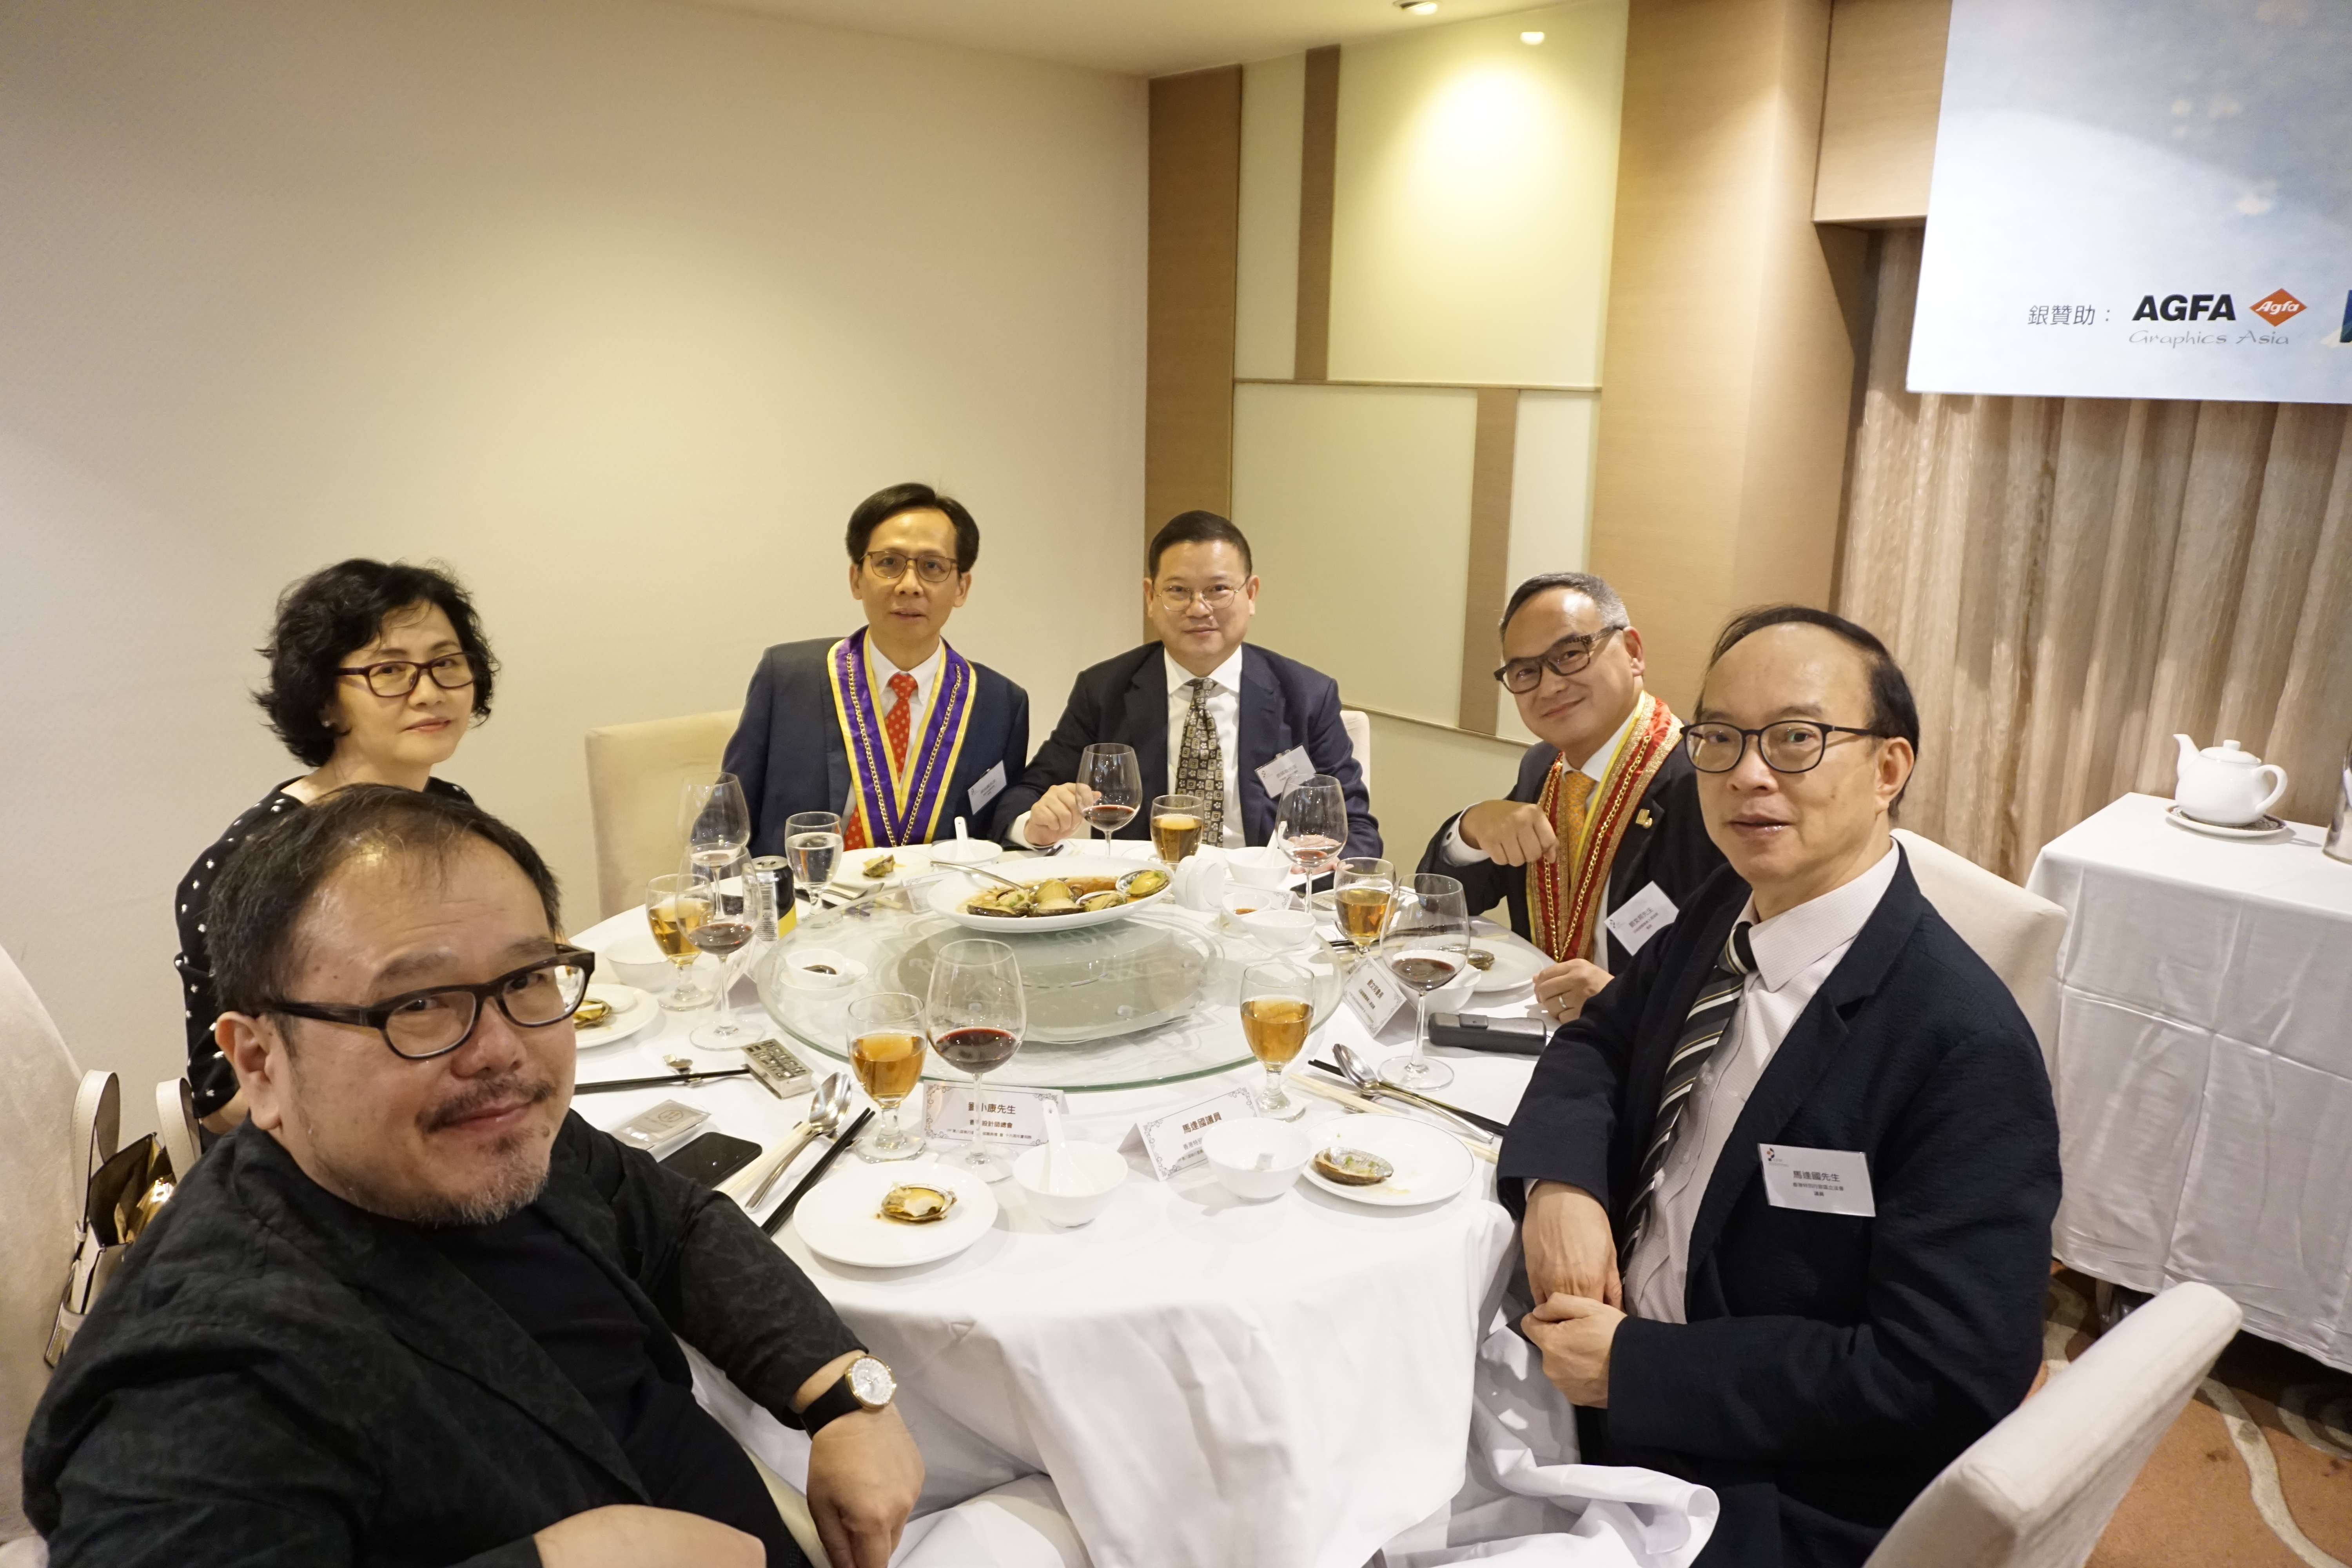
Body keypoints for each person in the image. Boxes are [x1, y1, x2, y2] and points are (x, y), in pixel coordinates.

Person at [30, 786, 924, 1568]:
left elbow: (673, 1224)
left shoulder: (491, 1131)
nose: (500, 1050)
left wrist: (843, 1389)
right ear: (259, 1062)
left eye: (529, 978)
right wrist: (558, 1562)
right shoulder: (205, 1368)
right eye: (417, 1003)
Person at [1501, 606, 2060, 1568]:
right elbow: (1599, 1040)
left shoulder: (1963, 1047)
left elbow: (1942, 1374)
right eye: (1719, 738)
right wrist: (1562, 1185)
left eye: (1796, 738)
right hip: (1589, 1360)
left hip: (1757, 1478)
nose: (1748, 775)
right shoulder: (1730, 901)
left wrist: (1638, 1368)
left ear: (1888, 769)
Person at [176, 558, 495, 1134]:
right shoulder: (253, 862)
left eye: (447, 663)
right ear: (324, 700)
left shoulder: (449, 809)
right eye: (390, 670)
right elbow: (221, 1104)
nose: (429, 692)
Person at [1419, 573, 1722, 1024]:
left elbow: (1738, 968)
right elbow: (1438, 903)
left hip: (1640, 1047)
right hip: (1540, 1024)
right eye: (1526, 672)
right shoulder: (1543, 767)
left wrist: (1623, 1000)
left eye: (1569, 654)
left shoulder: (1704, 781)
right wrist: (1472, 828)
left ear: (1633, 652)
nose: (1550, 686)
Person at [999, 510, 1378, 857]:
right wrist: (1035, 825)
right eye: (1178, 591)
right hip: (1142, 894)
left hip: (1262, 895)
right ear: (1151, 598)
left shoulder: (1307, 695)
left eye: (1218, 590)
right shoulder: (1104, 689)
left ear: (1251, 595)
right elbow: (1025, 796)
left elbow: (1356, 829)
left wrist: (1314, 868)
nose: (1199, 609)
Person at [724, 482, 1030, 858]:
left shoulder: (999, 703)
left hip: (934, 893)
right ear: (856, 579)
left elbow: (997, 829)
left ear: (961, 588)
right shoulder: (787, 676)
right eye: (889, 563)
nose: (909, 586)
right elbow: (727, 825)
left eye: (932, 567)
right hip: (803, 891)